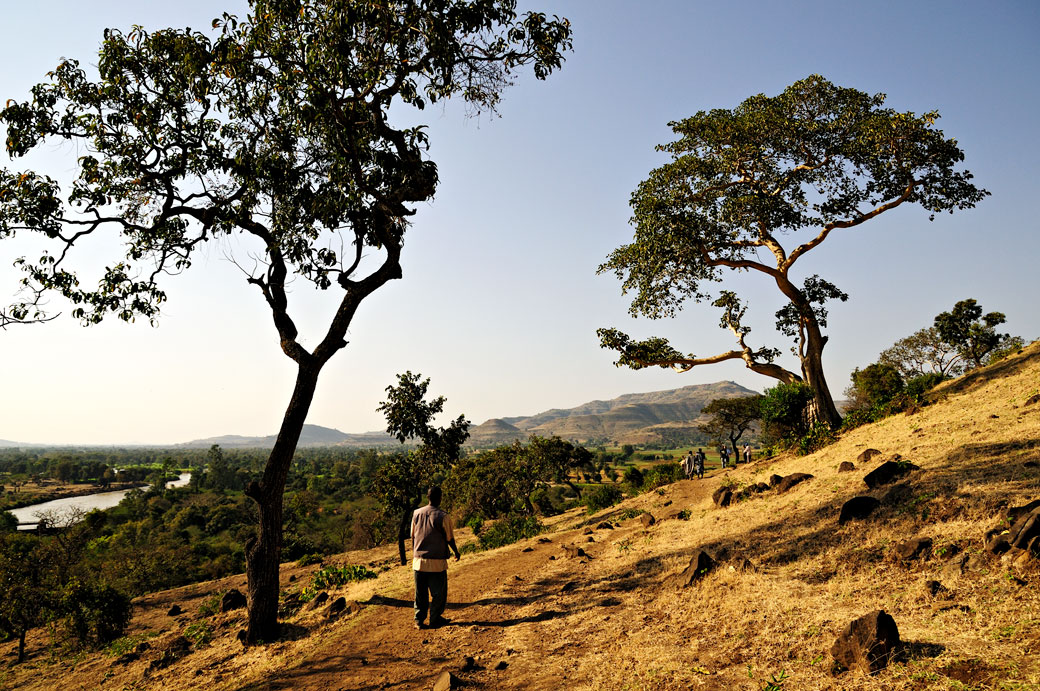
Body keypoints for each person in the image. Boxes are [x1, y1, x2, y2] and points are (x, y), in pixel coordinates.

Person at [410, 486, 460, 629]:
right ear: (440, 498)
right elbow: (449, 538)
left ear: (428, 497)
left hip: (418, 561)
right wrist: (456, 552)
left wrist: (416, 552)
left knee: (420, 594)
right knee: (438, 593)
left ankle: (419, 620)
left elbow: (413, 536)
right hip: (437, 562)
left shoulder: (416, 514)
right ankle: (435, 618)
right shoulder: (443, 516)